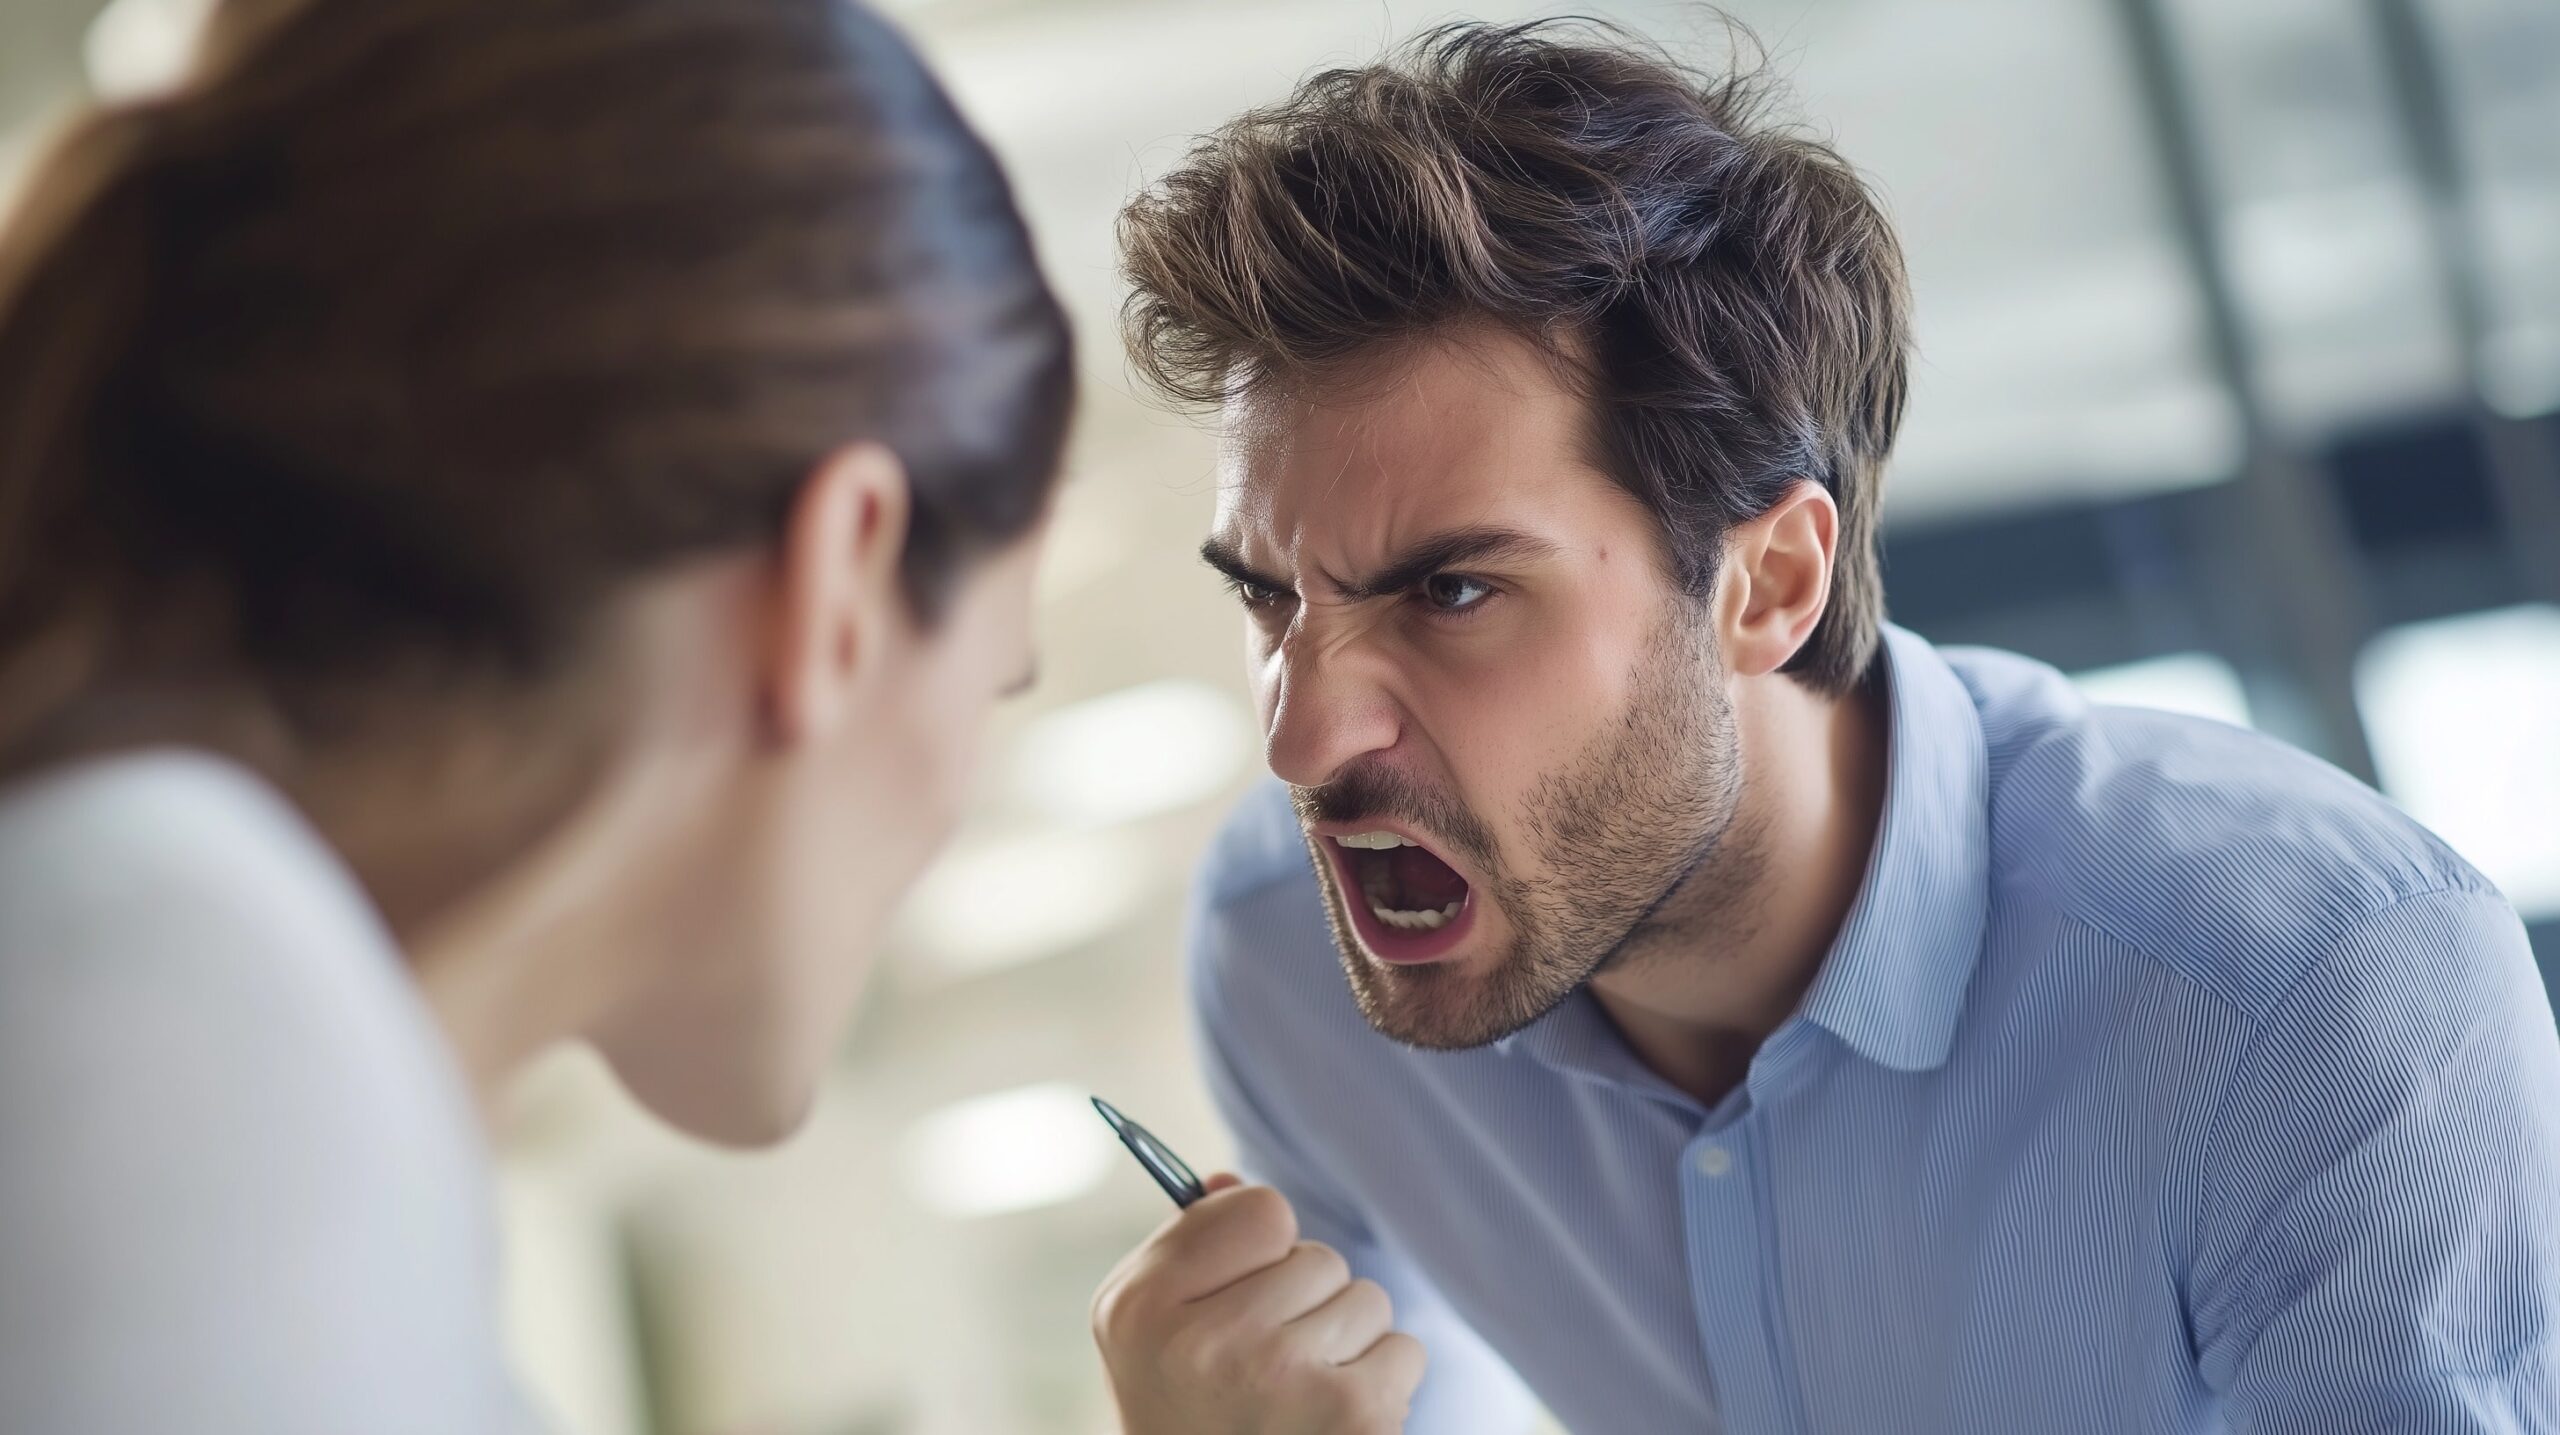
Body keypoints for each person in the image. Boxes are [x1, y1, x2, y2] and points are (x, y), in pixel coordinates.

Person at [1090, 18, 2560, 1434]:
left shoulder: (2307, 996)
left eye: (1455, 591)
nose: (1304, 740)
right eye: (1273, 601)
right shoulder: (1288, 953)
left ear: (1768, 582)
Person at [0, 1, 1113, 1430]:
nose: (959, 796)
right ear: (840, 585)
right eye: (991, 685)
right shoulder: (174, 1017)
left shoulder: (233, 1037)